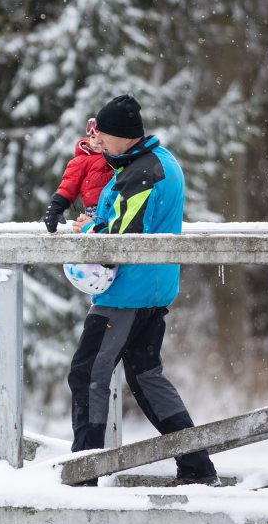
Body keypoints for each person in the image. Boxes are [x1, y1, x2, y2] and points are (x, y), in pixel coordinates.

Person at [68, 94, 218, 487]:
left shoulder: (143, 173)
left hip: (126, 294)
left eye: (102, 133)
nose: (97, 140)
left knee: (87, 376)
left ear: (122, 136)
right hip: (151, 289)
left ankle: (83, 474)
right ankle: (196, 466)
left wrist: (85, 230)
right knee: (147, 377)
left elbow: (118, 239)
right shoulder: (156, 161)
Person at [42, 124, 113, 233]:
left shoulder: (117, 156)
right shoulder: (82, 161)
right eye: (93, 137)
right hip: (95, 213)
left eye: (101, 137)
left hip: (116, 209)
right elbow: (69, 185)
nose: (97, 141)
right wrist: (56, 207)